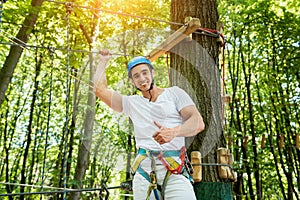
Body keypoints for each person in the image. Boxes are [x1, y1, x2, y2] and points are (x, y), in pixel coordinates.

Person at [93, 50, 205, 200]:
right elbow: (100, 90)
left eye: (145, 73)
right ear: (132, 81)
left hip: (174, 171)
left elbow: (197, 122)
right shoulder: (132, 103)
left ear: (153, 73)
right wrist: (103, 62)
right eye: (136, 76)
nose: (142, 78)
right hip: (144, 173)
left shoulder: (174, 94)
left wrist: (174, 132)